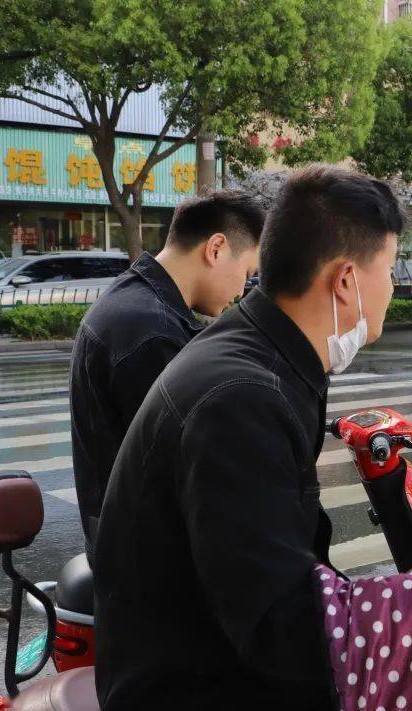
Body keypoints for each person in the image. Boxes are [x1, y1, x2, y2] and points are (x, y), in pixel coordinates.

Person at [93, 166, 403, 710]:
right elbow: (277, 624)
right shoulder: (242, 398)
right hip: (192, 686)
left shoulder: (265, 357)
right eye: (392, 268)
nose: (395, 288)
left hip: (214, 653)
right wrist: (409, 635)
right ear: (347, 279)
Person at [69, 190, 264, 558]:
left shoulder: (136, 301)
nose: (241, 290)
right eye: (247, 273)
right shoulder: (151, 332)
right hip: (145, 565)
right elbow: (192, 465)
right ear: (217, 248)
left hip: (126, 541)